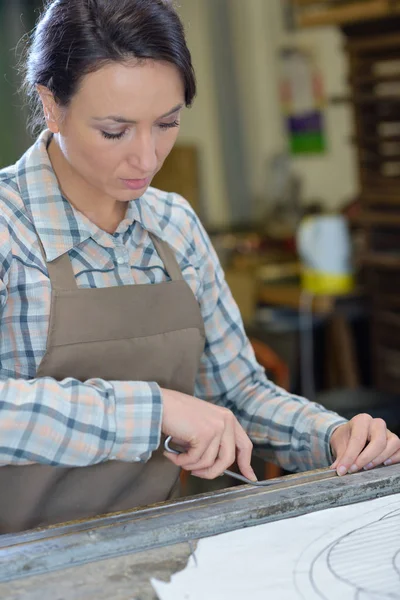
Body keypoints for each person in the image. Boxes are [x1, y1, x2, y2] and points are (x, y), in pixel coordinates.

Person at [0, 0, 398, 534]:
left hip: (155, 552)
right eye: (115, 131)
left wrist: (331, 437)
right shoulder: (9, 225)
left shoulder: (174, 225)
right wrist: (155, 408)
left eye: (166, 123)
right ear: (51, 105)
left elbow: (235, 392)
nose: (147, 158)